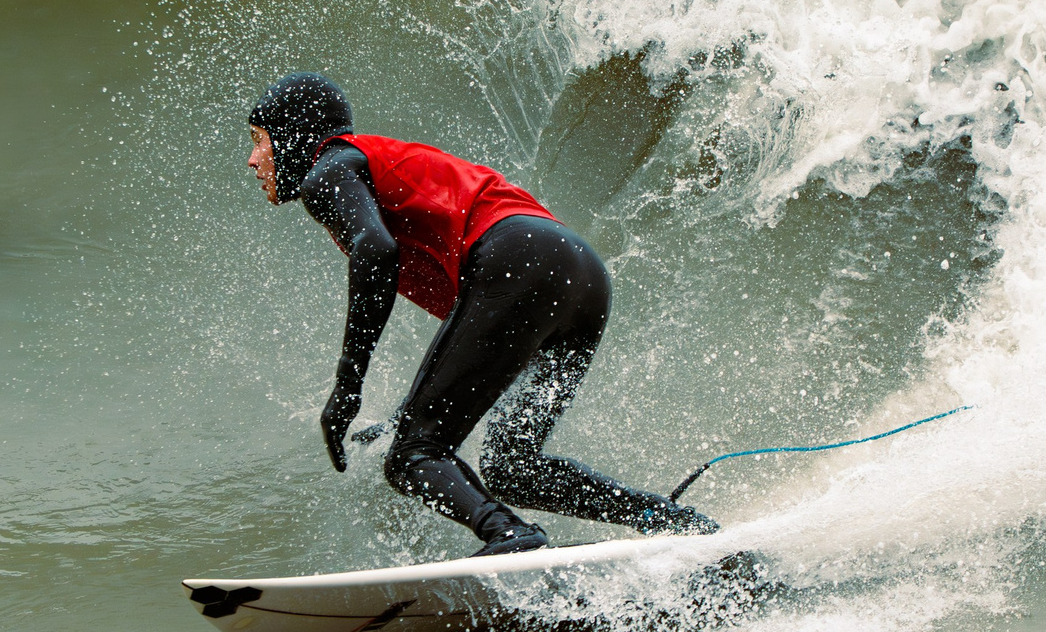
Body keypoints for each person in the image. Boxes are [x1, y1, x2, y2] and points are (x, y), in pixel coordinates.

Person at [245, 71, 717, 555]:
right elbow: (476, 348)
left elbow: (375, 251)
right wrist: (409, 413)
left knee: (412, 455)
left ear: (293, 136)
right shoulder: (366, 167)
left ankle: (510, 535)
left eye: (260, 141)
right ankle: (666, 518)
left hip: (518, 258)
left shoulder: (330, 166)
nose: (253, 159)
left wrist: (348, 385)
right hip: (578, 273)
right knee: (513, 469)